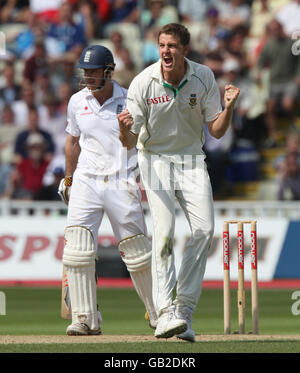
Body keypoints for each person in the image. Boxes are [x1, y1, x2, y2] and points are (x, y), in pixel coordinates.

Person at [118, 23, 240, 341]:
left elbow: (215, 130)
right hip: (154, 158)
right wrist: (123, 129)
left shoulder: (203, 77)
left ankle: (182, 309)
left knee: (204, 229)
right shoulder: (144, 82)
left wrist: (229, 109)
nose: (165, 51)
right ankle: (163, 314)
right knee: (164, 234)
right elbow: (130, 142)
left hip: (190, 159)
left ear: (185, 49)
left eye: (172, 45)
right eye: (161, 45)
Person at [57, 44, 157, 336]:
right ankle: (85, 318)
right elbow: (72, 142)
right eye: (84, 72)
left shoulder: (128, 100)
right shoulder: (77, 101)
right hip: (86, 179)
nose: (87, 77)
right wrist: (69, 178)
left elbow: (135, 142)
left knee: (137, 251)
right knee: (76, 248)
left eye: (93, 71)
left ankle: (158, 313)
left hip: (121, 178)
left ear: (109, 71)